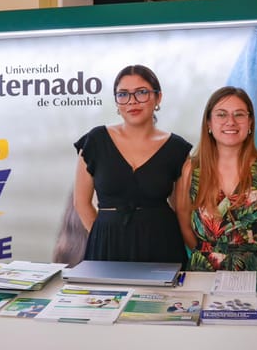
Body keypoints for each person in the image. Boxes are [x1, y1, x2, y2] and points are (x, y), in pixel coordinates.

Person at [176, 86, 257, 310]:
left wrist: (254, 258)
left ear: (250, 123)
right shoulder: (191, 170)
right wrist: (211, 255)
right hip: (204, 279)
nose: (231, 121)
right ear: (209, 124)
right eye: (221, 114)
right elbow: (185, 229)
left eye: (239, 114)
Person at [73, 64, 191, 266]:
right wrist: (103, 234)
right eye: (123, 94)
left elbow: (182, 209)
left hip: (162, 244)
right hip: (107, 246)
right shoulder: (96, 140)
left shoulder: (177, 148)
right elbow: (81, 203)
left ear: (158, 97)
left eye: (142, 93)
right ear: (116, 102)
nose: (132, 101)